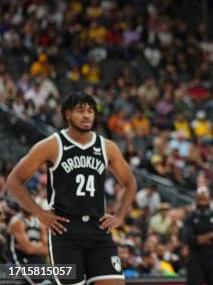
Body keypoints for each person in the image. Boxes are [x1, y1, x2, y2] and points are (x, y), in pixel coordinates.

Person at [7, 92, 137, 285]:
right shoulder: (52, 145)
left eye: (90, 111)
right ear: (67, 114)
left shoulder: (107, 147)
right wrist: (40, 214)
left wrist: (119, 216)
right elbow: (14, 181)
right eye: (80, 110)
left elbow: (130, 183)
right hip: (65, 231)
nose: (87, 115)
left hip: (98, 229)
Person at [181, 186, 213, 285]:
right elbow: (188, 238)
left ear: (209, 198)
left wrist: (199, 239)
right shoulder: (190, 218)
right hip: (195, 259)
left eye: (204, 198)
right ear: (196, 199)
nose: (203, 201)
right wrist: (209, 236)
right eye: (200, 198)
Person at [7, 205, 50, 285]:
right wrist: (40, 245)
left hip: (36, 258)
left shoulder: (39, 222)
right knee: (39, 282)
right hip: (19, 259)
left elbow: (48, 248)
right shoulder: (17, 222)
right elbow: (28, 250)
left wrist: (33, 247)